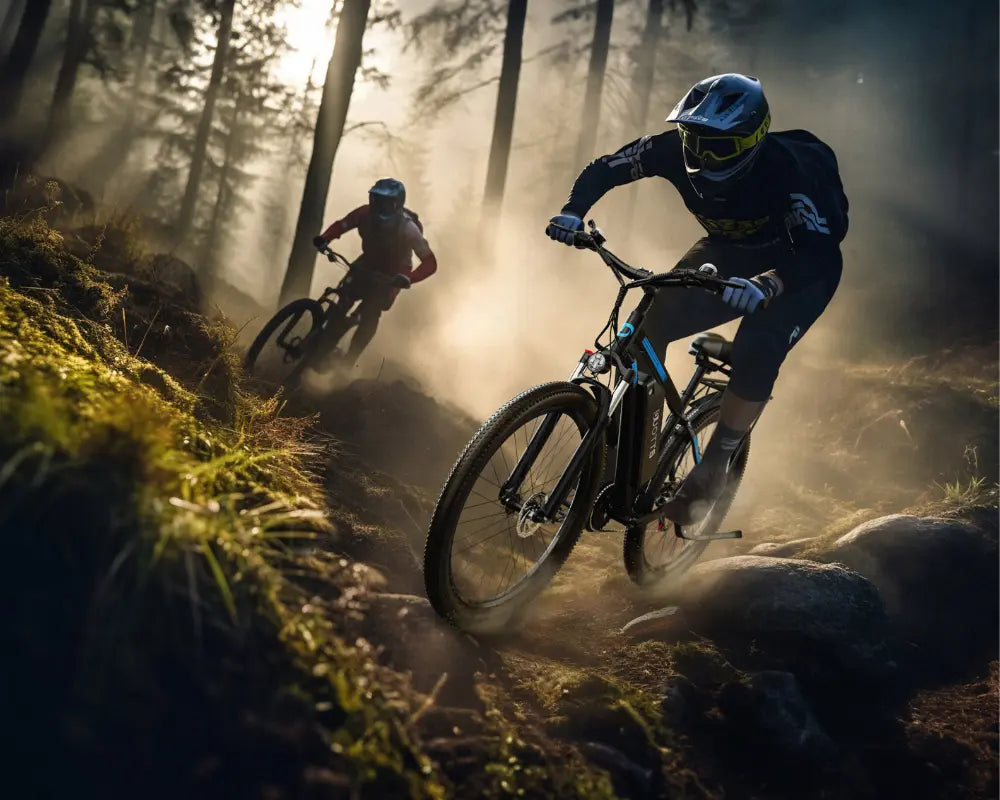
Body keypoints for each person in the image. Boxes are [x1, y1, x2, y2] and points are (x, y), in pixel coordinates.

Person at [545, 73, 848, 525]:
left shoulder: (791, 171)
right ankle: (631, 460)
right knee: (644, 328)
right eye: (694, 141)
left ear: (752, 142)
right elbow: (607, 167)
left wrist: (769, 284)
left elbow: (820, 253)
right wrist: (573, 210)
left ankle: (715, 464)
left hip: (797, 268)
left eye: (719, 148)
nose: (703, 157)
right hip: (727, 252)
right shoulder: (671, 149)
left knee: (757, 346)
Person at [313, 178, 437, 364]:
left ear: (396, 205)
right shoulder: (364, 213)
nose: (380, 206)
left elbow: (430, 263)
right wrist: (325, 238)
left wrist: (408, 278)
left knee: (371, 314)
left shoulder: (407, 228)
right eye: (376, 200)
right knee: (343, 298)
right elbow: (342, 225)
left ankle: (349, 360)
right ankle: (322, 342)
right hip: (368, 262)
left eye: (386, 203)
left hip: (394, 274)